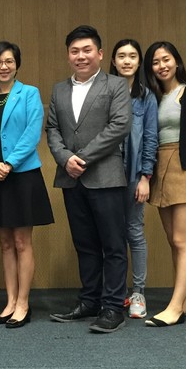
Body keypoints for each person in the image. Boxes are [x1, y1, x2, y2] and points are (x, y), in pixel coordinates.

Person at [47, 25, 132, 333]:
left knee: (113, 245)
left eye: (86, 50)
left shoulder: (116, 86)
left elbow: (120, 126)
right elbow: (52, 129)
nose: (80, 56)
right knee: (85, 244)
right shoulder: (59, 89)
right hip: (71, 178)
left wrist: (81, 157)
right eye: (74, 51)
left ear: (99, 53)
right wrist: (64, 158)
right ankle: (89, 301)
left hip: (105, 176)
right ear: (68, 55)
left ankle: (112, 307)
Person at [0, 41, 53, 329]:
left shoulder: (30, 93)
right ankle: (9, 301)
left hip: (22, 175)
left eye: (9, 61)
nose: (4, 66)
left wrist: (8, 163)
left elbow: (32, 133)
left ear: (17, 64)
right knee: (5, 243)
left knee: (23, 242)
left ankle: (23, 302)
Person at [143, 41, 186, 327]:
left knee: (184, 241)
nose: (162, 66)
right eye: (156, 62)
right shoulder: (155, 96)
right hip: (161, 168)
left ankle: (174, 307)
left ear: (177, 61)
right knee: (174, 240)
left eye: (166, 59)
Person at [110, 39, 158, 319]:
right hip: (105, 176)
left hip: (133, 176)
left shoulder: (146, 97)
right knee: (109, 234)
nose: (127, 61)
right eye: (121, 56)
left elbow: (151, 138)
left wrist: (145, 177)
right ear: (113, 61)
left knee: (134, 232)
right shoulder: (102, 92)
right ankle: (114, 292)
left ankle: (137, 292)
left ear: (139, 62)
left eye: (132, 56)